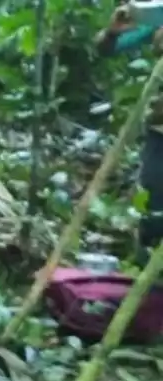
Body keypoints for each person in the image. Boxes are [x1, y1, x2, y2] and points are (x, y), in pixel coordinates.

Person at [97, 6, 163, 264]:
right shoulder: (157, 17)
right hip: (161, 129)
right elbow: (107, 49)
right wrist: (112, 32)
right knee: (154, 209)